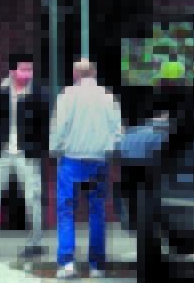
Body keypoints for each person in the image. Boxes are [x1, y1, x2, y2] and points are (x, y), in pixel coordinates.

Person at [0, 53, 51, 260]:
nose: (27, 73)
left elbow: (45, 126)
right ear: (12, 71)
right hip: (2, 152)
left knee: (33, 198)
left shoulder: (39, 94)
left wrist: (38, 150)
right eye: (23, 69)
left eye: (30, 69)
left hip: (27, 152)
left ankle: (35, 242)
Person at [49, 59, 123, 279]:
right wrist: (112, 153)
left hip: (72, 161)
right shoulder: (107, 97)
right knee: (97, 212)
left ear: (75, 74)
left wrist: (55, 150)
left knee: (66, 211)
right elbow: (117, 131)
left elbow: (59, 128)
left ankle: (68, 263)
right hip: (99, 161)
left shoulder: (66, 96)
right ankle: (96, 266)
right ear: (95, 73)